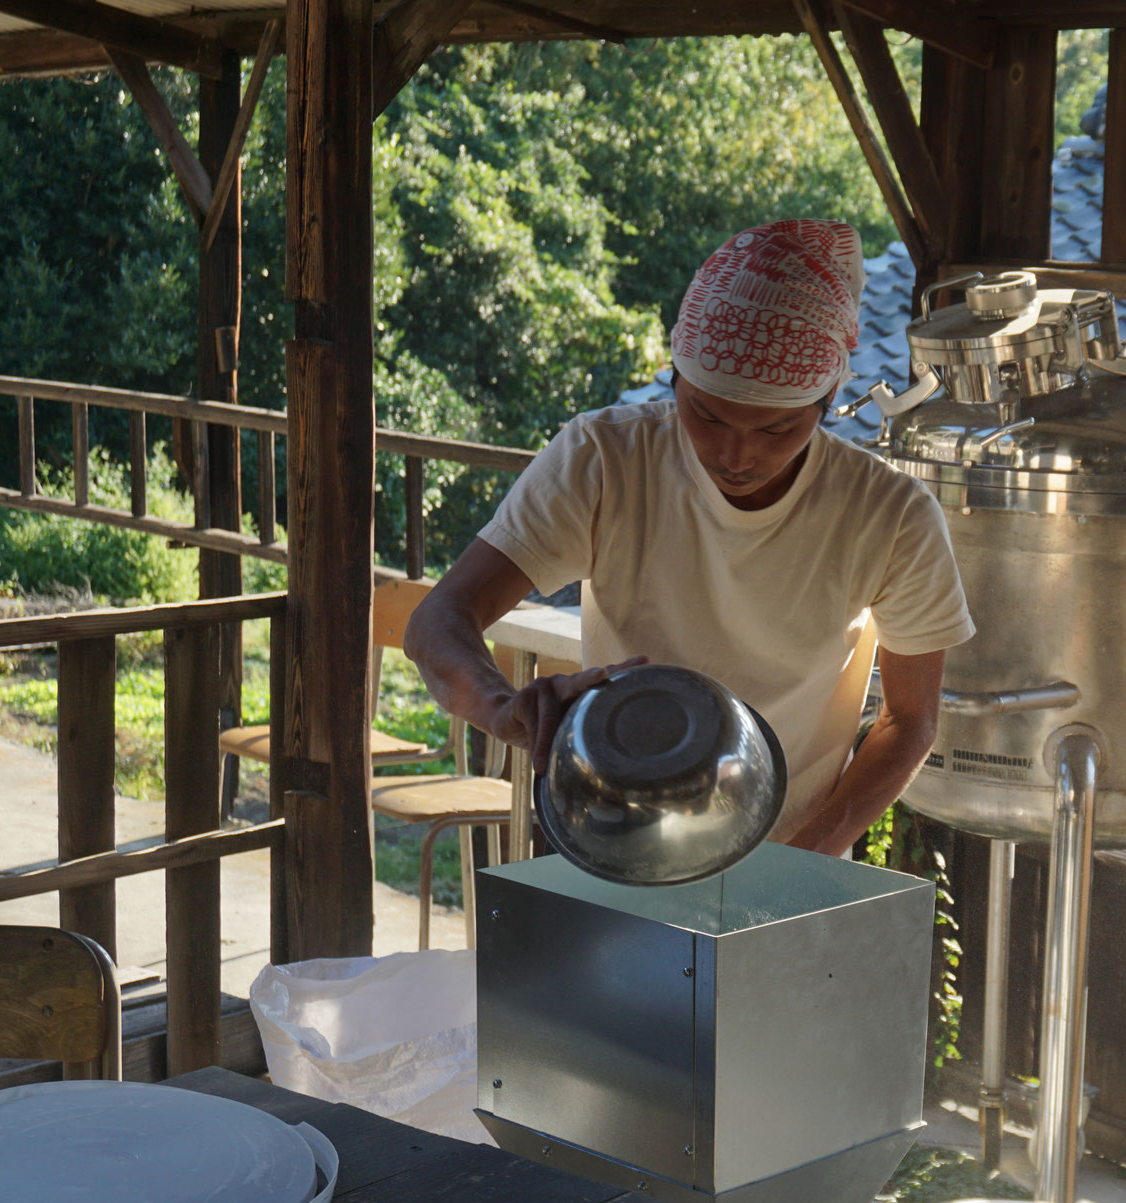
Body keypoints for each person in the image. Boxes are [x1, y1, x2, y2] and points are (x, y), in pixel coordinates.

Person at [405, 219, 974, 857]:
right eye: (704, 414)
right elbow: (438, 621)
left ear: (830, 397)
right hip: (617, 838)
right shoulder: (605, 460)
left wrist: (803, 863)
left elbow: (908, 721)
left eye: (776, 430)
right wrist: (500, 707)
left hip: (789, 852)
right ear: (674, 378)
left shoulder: (889, 514)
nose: (734, 454)